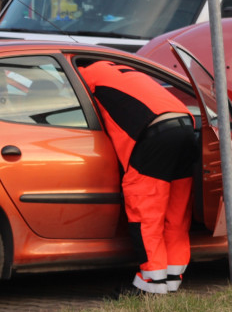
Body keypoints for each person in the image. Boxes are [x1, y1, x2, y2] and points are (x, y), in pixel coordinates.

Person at [80, 60, 198, 295]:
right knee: (176, 213)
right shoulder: (127, 72)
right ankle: (172, 278)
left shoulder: (86, 75)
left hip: (153, 134)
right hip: (186, 127)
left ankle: (151, 284)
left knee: (146, 214)